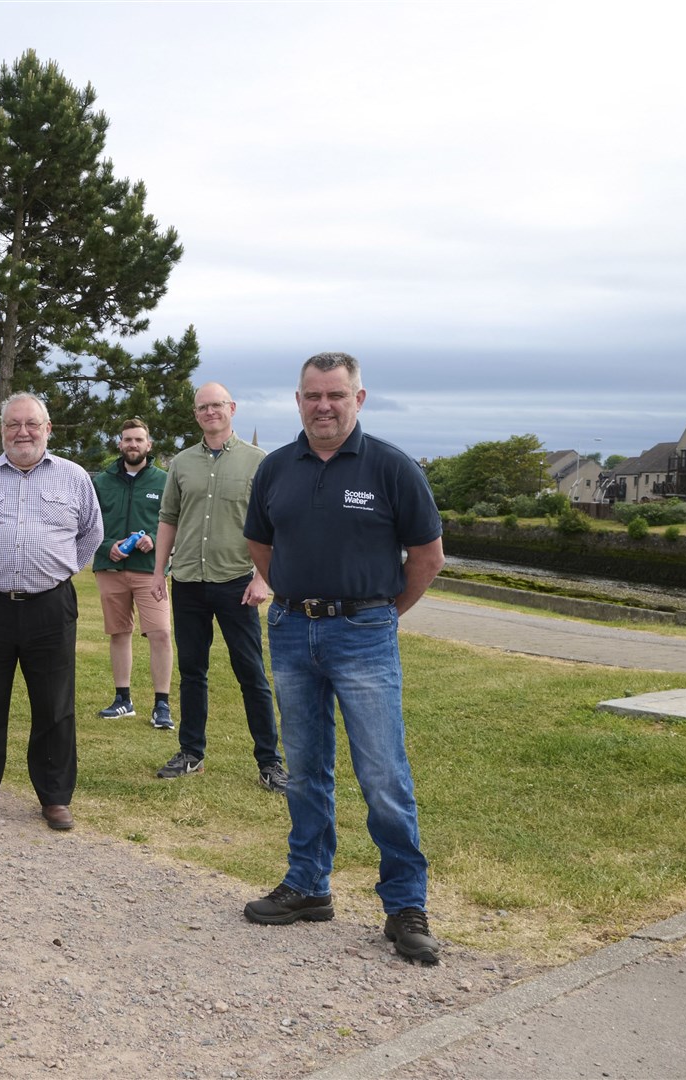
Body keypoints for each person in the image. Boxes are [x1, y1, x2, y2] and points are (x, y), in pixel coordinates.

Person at [240, 352, 446, 966]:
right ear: (297, 400)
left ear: (359, 399)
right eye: (312, 395)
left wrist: (375, 614)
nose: (322, 406)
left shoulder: (391, 468)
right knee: (304, 770)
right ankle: (308, 885)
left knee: (383, 776)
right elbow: (260, 544)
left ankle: (405, 906)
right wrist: (303, 600)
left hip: (364, 634)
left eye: (335, 395)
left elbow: (427, 558)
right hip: (291, 630)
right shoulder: (277, 468)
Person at [0, 392, 103, 832]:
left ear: (47, 428)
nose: (22, 432)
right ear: (2, 430)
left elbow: (91, 534)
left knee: (55, 705)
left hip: (50, 608)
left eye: (31, 424)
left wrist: (55, 571)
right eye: (13, 424)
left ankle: (55, 797)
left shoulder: (74, 478)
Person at [150, 382, 287, 793]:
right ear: (196, 414)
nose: (210, 412)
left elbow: (275, 524)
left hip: (237, 583)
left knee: (252, 674)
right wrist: (158, 571)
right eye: (202, 407)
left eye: (217, 405)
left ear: (232, 408)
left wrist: (264, 578)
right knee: (193, 672)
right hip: (189, 581)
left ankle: (270, 762)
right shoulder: (182, 463)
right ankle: (191, 752)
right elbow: (168, 518)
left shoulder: (258, 462)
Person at [90, 417, 173, 729]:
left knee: (161, 634)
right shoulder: (101, 482)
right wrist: (108, 545)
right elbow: (88, 524)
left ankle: (161, 705)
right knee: (119, 633)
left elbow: (174, 520)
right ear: (120, 444)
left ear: (148, 446)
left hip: (150, 573)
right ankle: (123, 699)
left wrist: (154, 536)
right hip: (111, 569)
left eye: (139, 440)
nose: (133, 445)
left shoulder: (164, 481)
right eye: (128, 439)